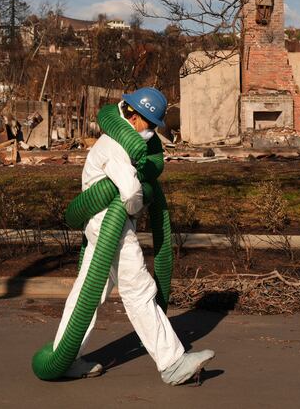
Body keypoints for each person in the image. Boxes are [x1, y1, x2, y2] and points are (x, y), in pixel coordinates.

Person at [54, 87, 215, 384]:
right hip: (111, 226)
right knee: (139, 290)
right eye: (151, 124)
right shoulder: (115, 146)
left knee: (88, 293)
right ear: (134, 115)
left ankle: (64, 358)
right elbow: (129, 193)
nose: (153, 130)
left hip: (100, 225)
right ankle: (173, 363)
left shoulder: (115, 143)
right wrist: (142, 199)